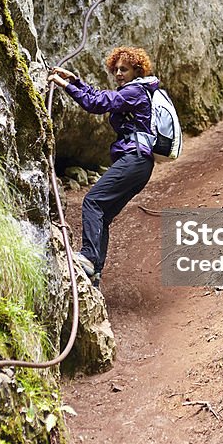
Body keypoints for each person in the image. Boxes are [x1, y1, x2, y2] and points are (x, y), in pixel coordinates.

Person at [47, 46, 157, 285]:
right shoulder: (136, 92)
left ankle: (87, 257)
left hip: (134, 159)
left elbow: (97, 102)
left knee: (93, 201)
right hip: (140, 164)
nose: (118, 73)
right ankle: (94, 272)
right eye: (115, 69)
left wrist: (65, 86)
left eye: (124, 69)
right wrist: (75, 81)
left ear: (137, 71)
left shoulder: (135, 92)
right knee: (103, 214)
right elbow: (102, 96)